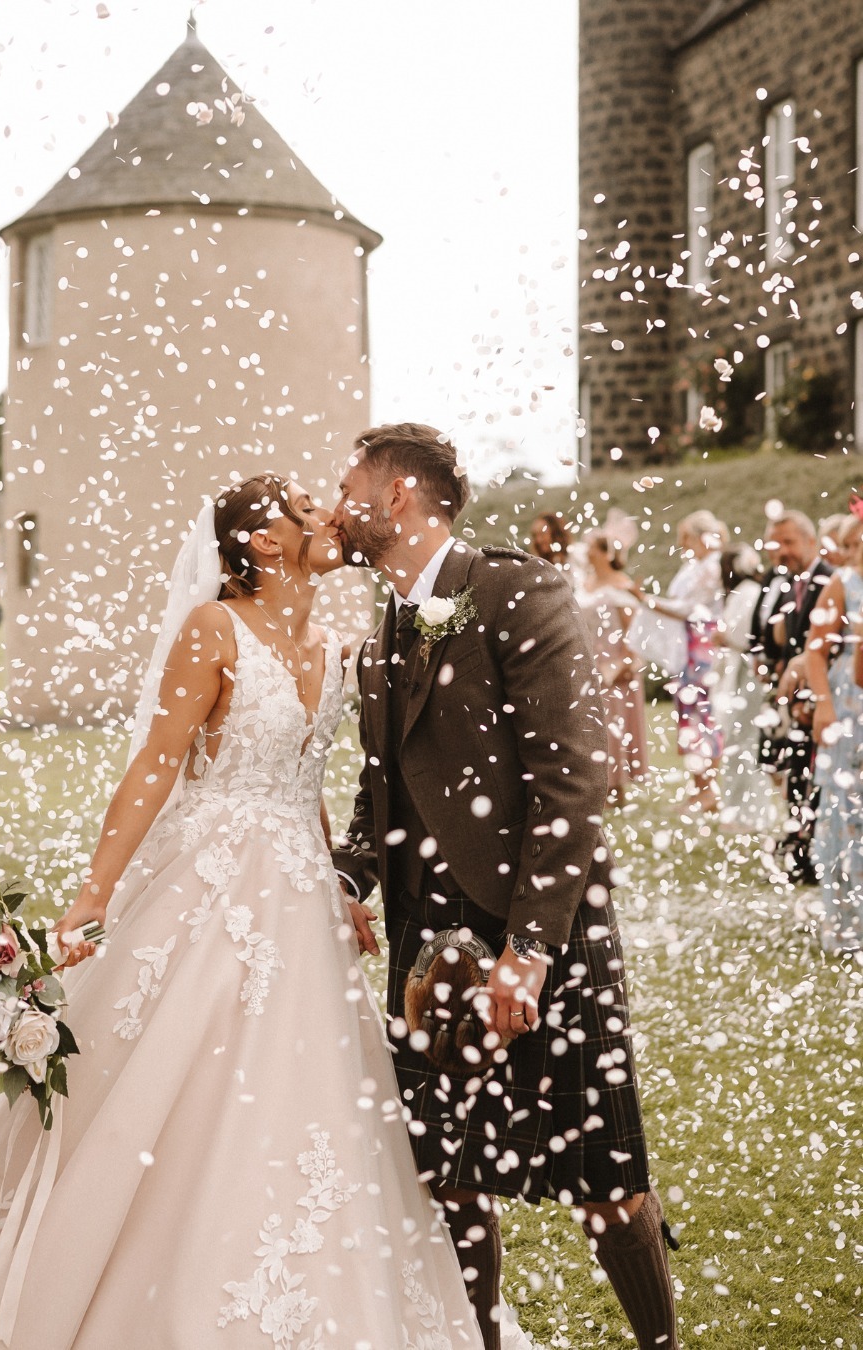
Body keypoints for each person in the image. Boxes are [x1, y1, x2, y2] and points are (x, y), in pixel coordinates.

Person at [0, 474, 518, 1350]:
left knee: (309, 1092)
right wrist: (93, 896)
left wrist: (338, 884)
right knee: (174, 1077)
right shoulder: (214, 628)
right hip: (215, 886)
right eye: (309, 511)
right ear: (263, 543)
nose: (330, 519)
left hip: (302, 895)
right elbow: (157, 764)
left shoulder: (334, 641)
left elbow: (301, 778)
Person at [331, 424, 677, 1350]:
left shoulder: (513, 588)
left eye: (349, 484)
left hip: (540, 930)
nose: (338, 503)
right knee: (450, 1171)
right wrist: (348, 873)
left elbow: (574, 775)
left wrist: (529, 951)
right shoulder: (386, 623)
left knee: (603, 1178)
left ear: (398, 494)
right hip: (423, 941)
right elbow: (385, 784)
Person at [630, 509, 724, 815]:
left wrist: (646, 600)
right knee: (689, 720)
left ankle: (708, 791)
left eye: (684, 536)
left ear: (699, 536)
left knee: (701, 719)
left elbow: (688, 609)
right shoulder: (695, 567)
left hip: (702, 652)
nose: (681, 543)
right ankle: (700, 790)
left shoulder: (713, 566)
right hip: (688, 651)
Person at [762, 511, 833, 883]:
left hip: (827, 700)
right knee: (797, 775)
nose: (781, 551)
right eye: (776, 544)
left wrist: (816, 697)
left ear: (810, 541)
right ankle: (800, 850)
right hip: (796, 701)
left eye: (788, 542)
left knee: (820, 780)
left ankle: (816, 853)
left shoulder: (830, 580)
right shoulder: (789, 584)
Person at [804, 508, 863, 953]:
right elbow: (815, 652)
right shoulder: (843, 584)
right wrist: (823, 704)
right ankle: (848, 920)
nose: (856, 554)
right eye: (854, 545)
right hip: (850, 705)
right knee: (848, 810)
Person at [576, 527, 648, 804]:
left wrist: (619, 666)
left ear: (606, 553)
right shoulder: (585, 584)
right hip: (587, 663)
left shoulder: (621, 585)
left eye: (592, 546)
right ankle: (597, 785)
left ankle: (615, 788)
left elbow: (635, 635)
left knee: (612, 727)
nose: (587, 550)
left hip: (614, 669)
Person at [712, 546, 782, 833]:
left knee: (745, 742)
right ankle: (738, 810)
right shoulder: (746, 591)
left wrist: (724, 637)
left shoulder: (749, 591)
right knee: (736, 742)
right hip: (740, 672)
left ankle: (751, 814)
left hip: (749, 675)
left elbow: (749, 635)